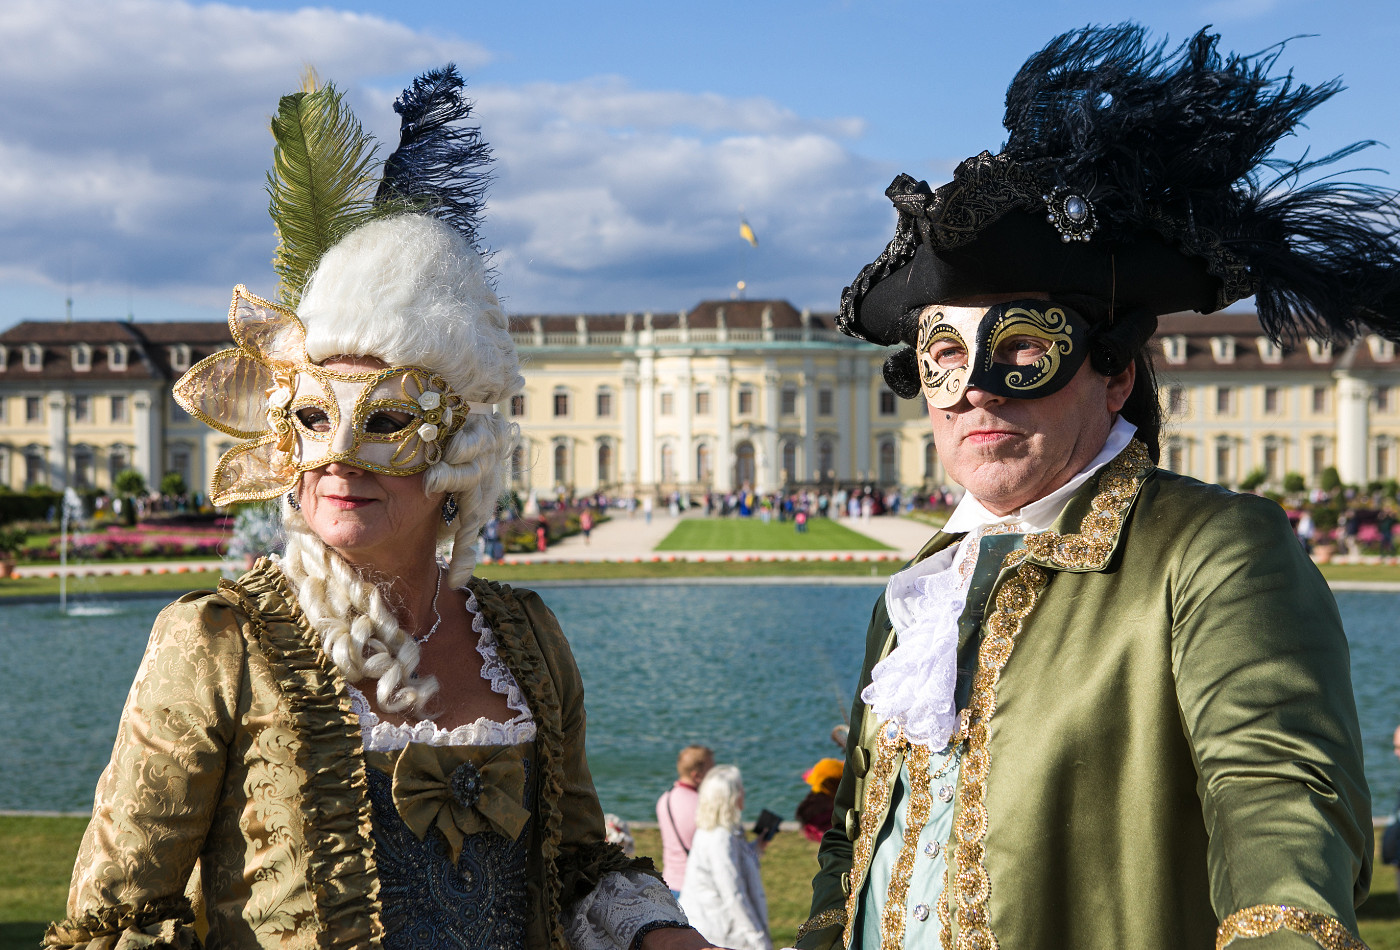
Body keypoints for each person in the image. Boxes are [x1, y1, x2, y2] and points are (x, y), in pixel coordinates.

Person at [46, 68, 712, 950]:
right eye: (312, 418)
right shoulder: (215, 644)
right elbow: (120, 920)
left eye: (387, 421)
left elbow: (578, 865)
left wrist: (668, 938)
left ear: (458, 449)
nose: (337, 458)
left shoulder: (529, 644)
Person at [795, 25, 1399, 950]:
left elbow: (1278, 794)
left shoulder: (1210, 551)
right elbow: (856, 847)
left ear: (1114, 375)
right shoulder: (921, 587)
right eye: (944, 357)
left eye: (1025, 350)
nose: (978, 391)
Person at [679, 765, 772, 950]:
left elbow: (737, 866)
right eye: (739, 789)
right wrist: (758, 939)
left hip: (714, 927)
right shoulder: (719, 838)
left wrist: (756, 847)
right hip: (719, 933)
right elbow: (732, 893)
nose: (743, 793)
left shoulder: (719, 830)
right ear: (729, 798)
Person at [657, 745, 715, 895]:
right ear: (697, 775)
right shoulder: (703, 805)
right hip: (695, 887)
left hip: (669, 882)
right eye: (711, 771)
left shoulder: (665, 799)